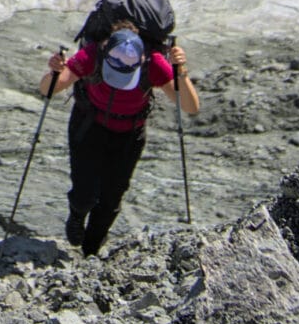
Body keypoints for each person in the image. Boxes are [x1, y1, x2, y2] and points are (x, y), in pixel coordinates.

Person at [40, 22, 198, 256]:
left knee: (111, 200)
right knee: (85, 192)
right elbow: (48, 89)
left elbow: (190, 106)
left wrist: (180, 71)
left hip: (129, 134)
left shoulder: (153, 63)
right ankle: (77, 215)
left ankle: (91, 251)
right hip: (89, 125)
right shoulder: (92, 54)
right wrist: (53, 71)